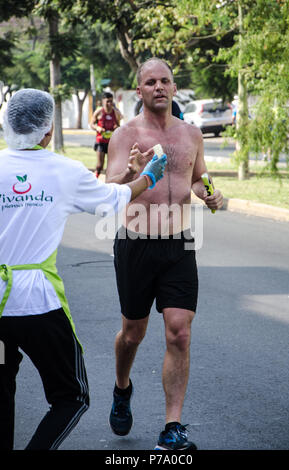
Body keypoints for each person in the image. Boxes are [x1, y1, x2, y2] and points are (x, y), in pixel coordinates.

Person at [0, 88, 167, 450]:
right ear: (48, 131)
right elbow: (111, 200)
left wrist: (125, 174)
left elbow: (95, 192)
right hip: (37, 306)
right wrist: (149, 176)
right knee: (71, 398)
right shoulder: (63, 170)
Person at [105, 57, 223, 450]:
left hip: (179, 244)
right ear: (138, 91)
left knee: (180, 332)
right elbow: (111, 185)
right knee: (133, 333)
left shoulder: (191, 134)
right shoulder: (124, 135)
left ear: (174, 88)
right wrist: (133, 172)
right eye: (150, 82)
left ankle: (173, 427)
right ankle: (122, 387)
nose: (159, 87)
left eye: (165, 81)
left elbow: (198, 178)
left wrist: (211, 195)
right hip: (135, 244)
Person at [90, 92, 122, 178]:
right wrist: (97, 128)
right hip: (100, 141)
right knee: (100, 165)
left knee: (112, 165)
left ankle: (109, 183)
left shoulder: (116, 113)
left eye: (111, 101)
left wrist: (116, 127)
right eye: (107, 101)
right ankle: (95, 181)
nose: (109, 104)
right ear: (103, 101)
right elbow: (92, 124)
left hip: (111, 142)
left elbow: (119, 126)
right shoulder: (99, 112)